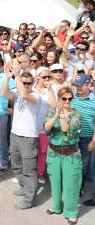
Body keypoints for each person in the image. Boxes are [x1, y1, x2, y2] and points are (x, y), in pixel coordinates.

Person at [1, 65, 42, 210]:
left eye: (28, 83)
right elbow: (3, 92)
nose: (25, 85)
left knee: (29, 170)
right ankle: (24, 188)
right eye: (24, 83)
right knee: (17, 166)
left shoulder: (36, 95)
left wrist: (17, 76)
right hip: (15, 135)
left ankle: (29, 200)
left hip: (29, 138)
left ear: (33, 83)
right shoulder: (16, 92)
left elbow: (25, 95)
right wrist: (7, 77)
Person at [44, 87, 82, 224]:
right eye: (64, 98)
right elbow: (46, 127)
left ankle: (71, 212)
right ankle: (56, 206)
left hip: (71, 155)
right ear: (59, 99)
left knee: (71, 184)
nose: (67, 101)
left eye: (69, 98)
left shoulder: (76, 114)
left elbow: (65, 129)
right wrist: (56, 114)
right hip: (54, 153)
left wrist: (61, 115)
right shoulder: (51, 111)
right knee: (55, 183)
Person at [70, 73, 95, 206]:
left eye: (80, 86)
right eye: (76, 86)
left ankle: (80, 188)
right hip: (74, 137)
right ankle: (78, 188)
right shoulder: (74, 98)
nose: (78, 88)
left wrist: (93, 141)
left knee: (86, 167)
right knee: (76, 165)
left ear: (88, 84)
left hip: (88, 138)